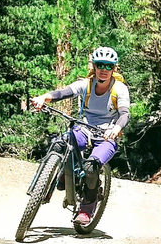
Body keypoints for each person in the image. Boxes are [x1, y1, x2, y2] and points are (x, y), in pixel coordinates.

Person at [30, 46, 130, 225]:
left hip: (106, 136)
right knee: (60, 142)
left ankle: (87, 207)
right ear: (94, 66)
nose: (104, 70)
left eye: (108, 66)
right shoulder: (86, 84)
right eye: (100, 65)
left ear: (114, 68)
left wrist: (116, 128)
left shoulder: (120, 89)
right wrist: (44, 97)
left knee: (91, 167)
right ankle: (52, 179)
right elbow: (63, 92)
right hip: (84, 129)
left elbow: (124, 114)